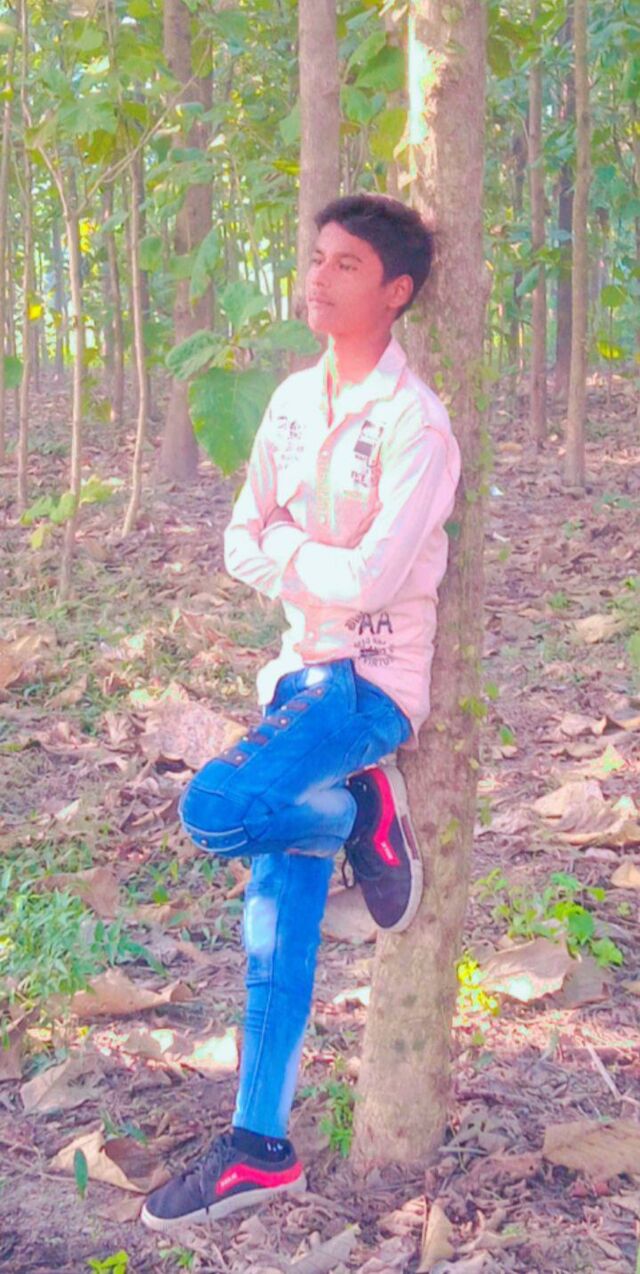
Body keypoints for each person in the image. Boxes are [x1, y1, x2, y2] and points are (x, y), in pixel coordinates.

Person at [142, 194, 461, 1233]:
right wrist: (297, 551)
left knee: (214, 808)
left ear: (396, 291)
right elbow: (238, 540)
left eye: (345, 265)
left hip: (365, 685)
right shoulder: (288, 402)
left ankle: (361, 803)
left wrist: (288, 548)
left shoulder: (416, 426)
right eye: (316, 257)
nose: (317, 277)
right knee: (272, 939)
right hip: (294, 680)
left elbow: (371, 582)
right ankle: (259, 1147)